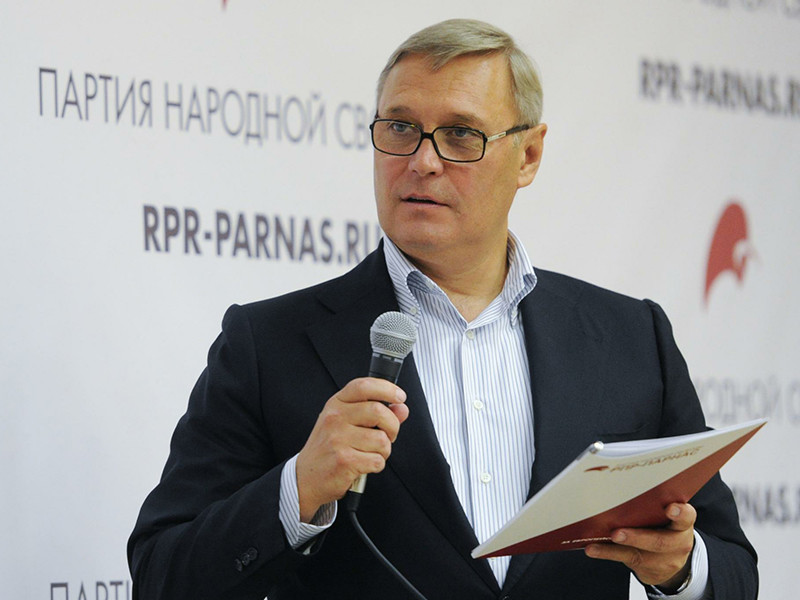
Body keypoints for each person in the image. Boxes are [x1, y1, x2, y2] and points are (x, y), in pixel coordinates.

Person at [128, 19, 757, 600]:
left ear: (529, 156)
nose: (422, 161)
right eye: (400, 128)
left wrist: (680, 566)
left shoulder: (630, 339)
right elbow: (160, 575)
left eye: (460, 134)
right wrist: (296, 490)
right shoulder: (269, 344)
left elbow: (733, 570)